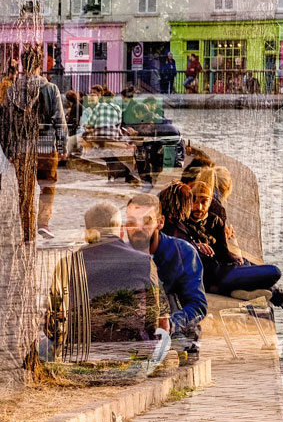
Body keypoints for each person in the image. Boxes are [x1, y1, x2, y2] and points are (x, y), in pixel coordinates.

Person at [167, 171, 283, 318]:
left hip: (220, 271)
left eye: (203, 202)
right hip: (213, 279)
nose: (198, 207)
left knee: (250, 265)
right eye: (193, 201)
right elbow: (179, 244)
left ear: (209, 203)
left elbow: (222, 252)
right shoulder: (177, 224)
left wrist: (231, 255)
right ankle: (282, 298)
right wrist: (197, 246)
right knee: (274, 272)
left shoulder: (213, 221)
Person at [76, 200, 168, 345]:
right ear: (120, 230)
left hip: (83, 347)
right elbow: (155, 315)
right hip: (134, 348)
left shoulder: (72, 262)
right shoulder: (143, 261)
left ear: (87, 233)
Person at [122, 191, 205, 348]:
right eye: (132, 221)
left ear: (160, 222)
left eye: (146, 220)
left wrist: (171, 323)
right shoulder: (120, 256)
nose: (138, 227)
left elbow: (197, 305)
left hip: (177, 334)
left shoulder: (184, 252)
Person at [3, 51, 68, 241]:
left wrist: (9, 150)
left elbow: (6, 124)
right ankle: (43, 223)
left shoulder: (12, 90)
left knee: (25, 189)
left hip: (22, 148)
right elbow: (59, 119)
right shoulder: (50, 88)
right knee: (48, 185)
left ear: (23, 64)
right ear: (40, 64)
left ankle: (26, 227)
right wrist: (62, 145)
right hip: (46, 147)